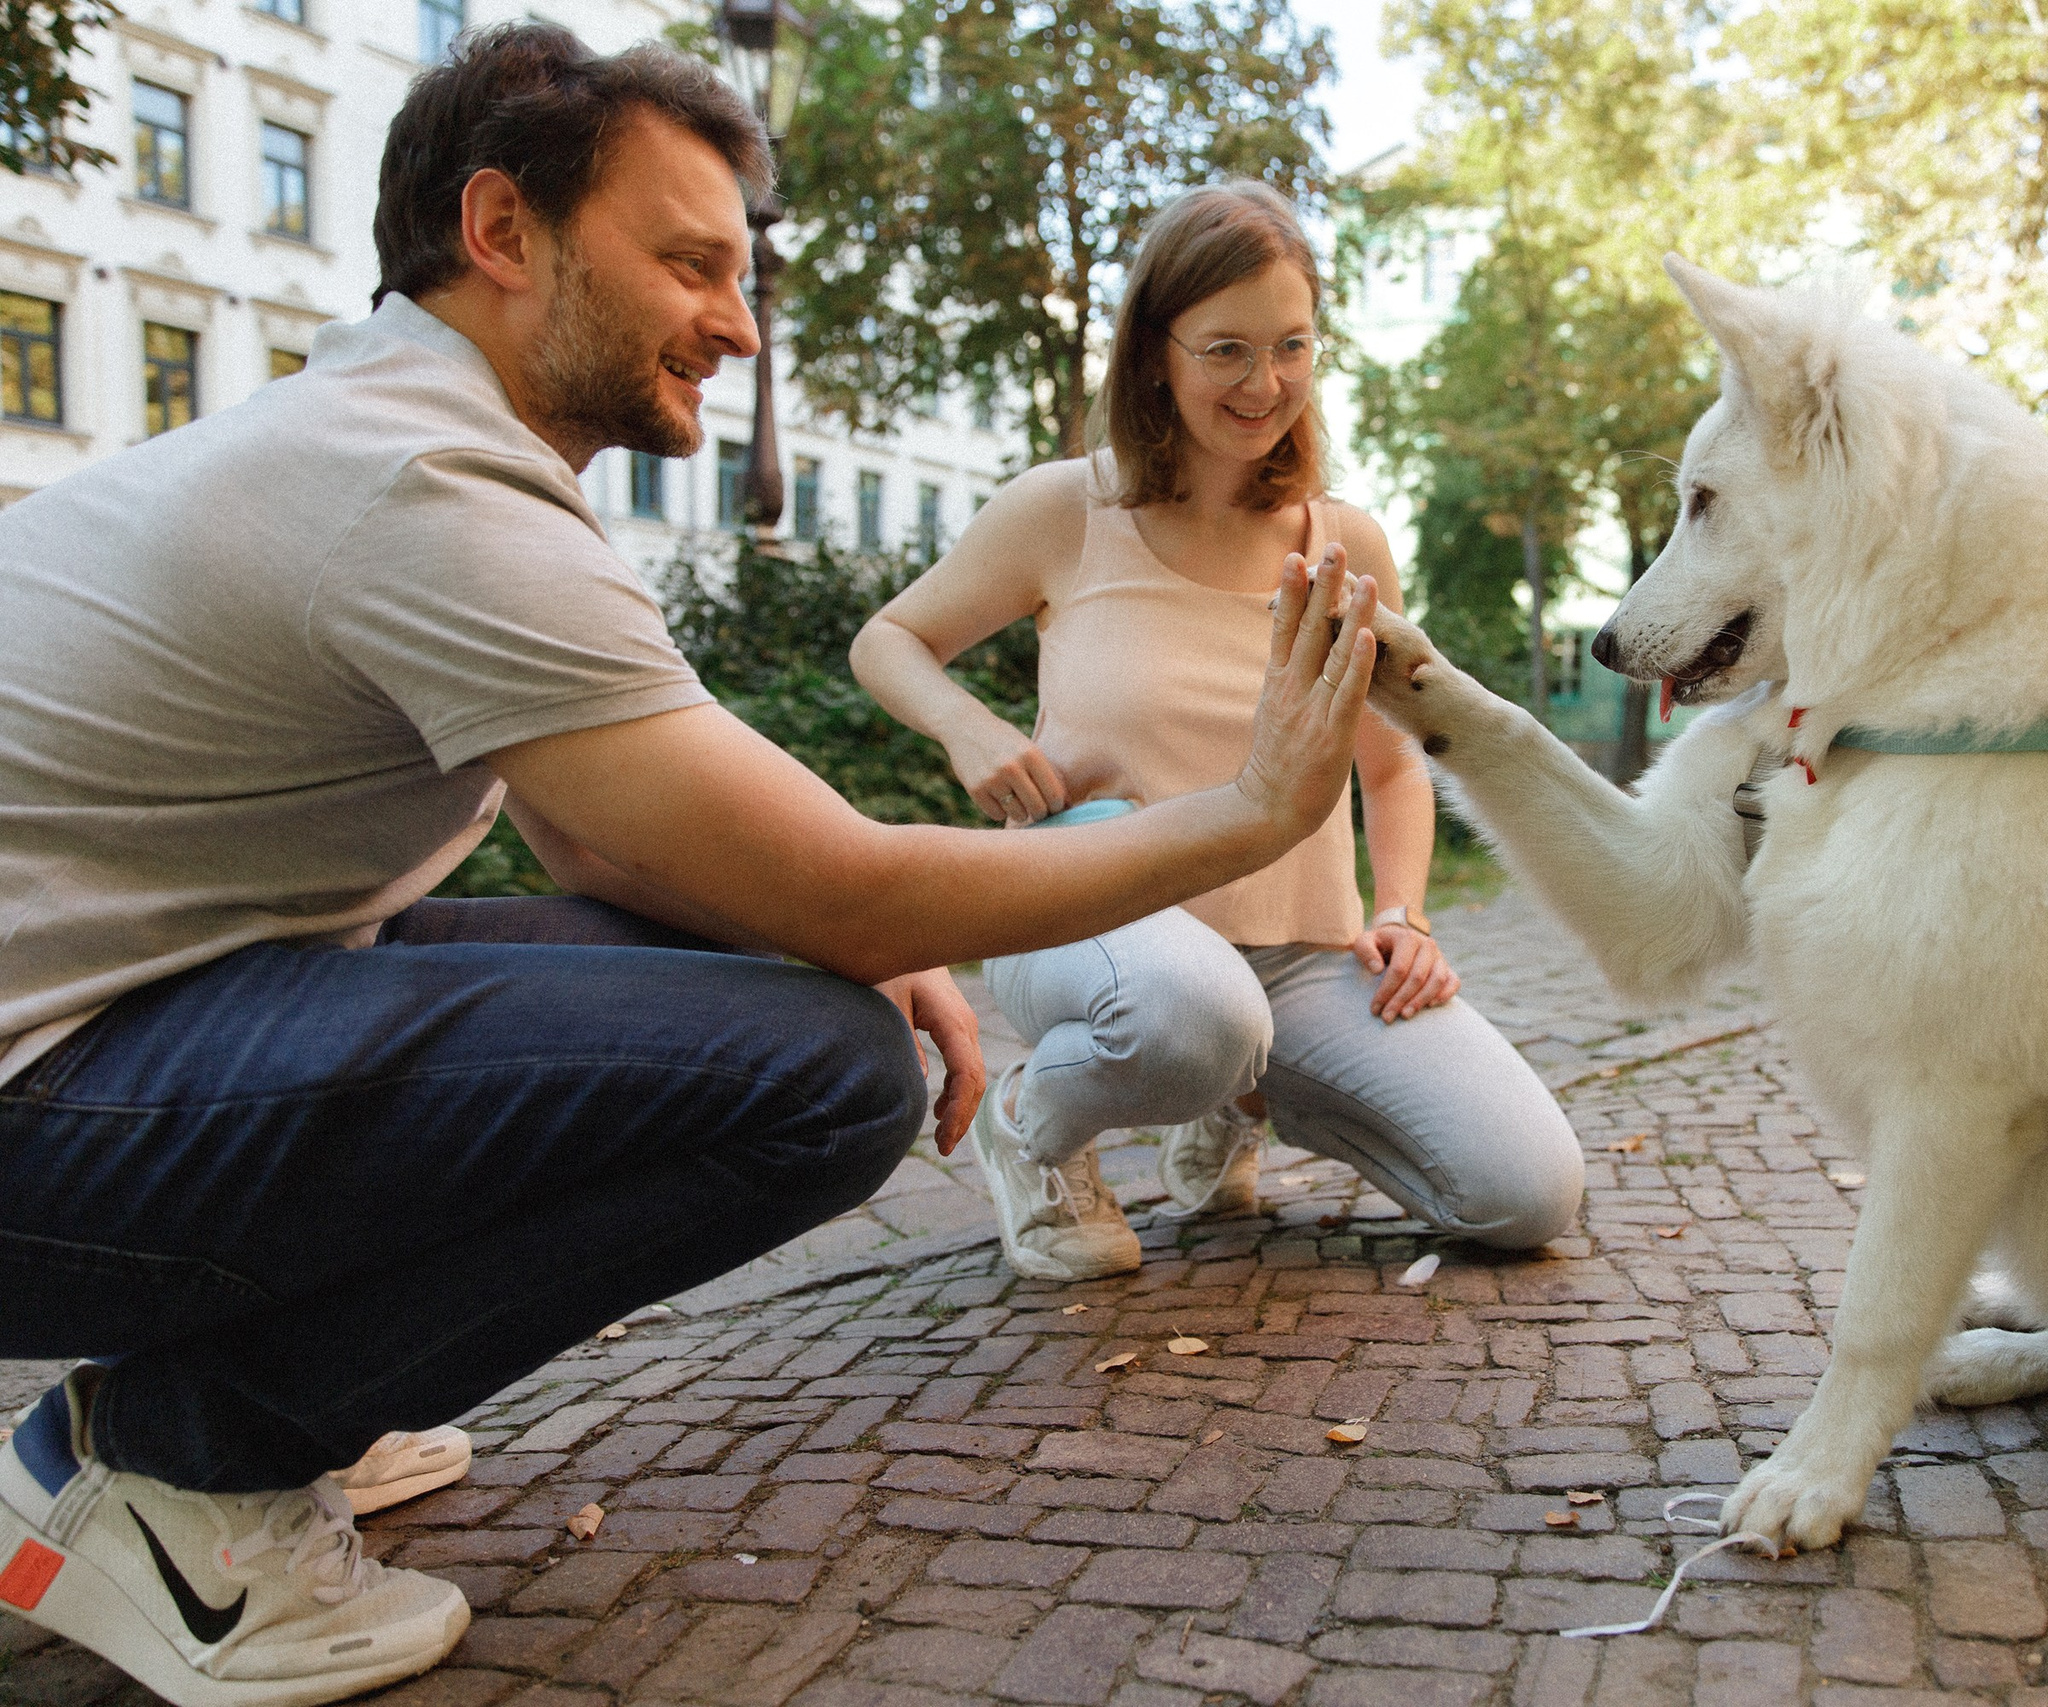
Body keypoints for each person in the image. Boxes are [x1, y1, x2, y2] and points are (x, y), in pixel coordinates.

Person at [0, 29, 1377, 1707]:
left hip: (104, 1029)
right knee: (814, 1077)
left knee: (778, 990)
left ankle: (238, 1399)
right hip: (40, 1094)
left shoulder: (398, 437)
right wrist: (1246, 816)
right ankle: (169, 1461)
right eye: (691, 264)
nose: (737, 321)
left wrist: (855, 939)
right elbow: (847, 886)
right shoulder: (423, 485)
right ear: (504, 233)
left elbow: (599, 833)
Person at [851, 183, 1585, 1284]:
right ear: (1156, 352)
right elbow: (890, 639)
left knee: (1524, 1194)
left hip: (1297, 957)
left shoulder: (1344, 545)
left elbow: (1391, 766)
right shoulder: (1065, 509)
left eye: (1291, 346)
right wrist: (965, 725)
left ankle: (1244, 1097)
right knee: (1195, 1014)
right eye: (1227, 350)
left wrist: (1402, 912)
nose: (1265, 383)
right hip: (1083, 907)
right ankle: (1031, 1129)